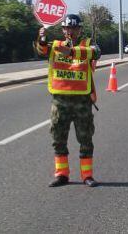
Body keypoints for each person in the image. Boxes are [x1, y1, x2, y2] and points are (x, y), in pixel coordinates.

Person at [35, 14, 100, 188]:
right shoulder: (56, 45)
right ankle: (62, 174)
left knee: (85, 138)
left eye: (74, 28)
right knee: (58, 137)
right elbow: (41, 50)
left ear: (79, 29)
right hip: (60, 101)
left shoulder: (88, 44)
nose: (70, 31)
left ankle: (87, 175)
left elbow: (96, 53)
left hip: (82, 101)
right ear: (63, 30)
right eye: (67, 28)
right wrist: (41, 37)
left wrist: (71, 52)